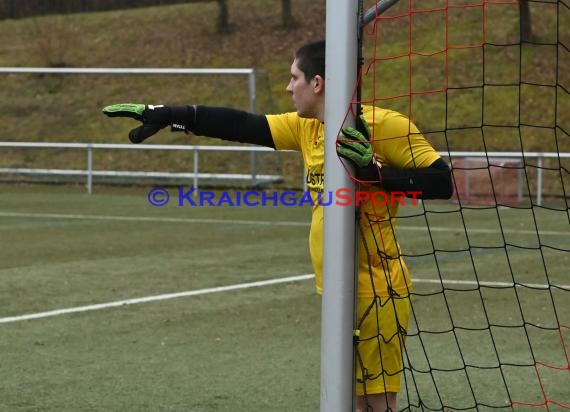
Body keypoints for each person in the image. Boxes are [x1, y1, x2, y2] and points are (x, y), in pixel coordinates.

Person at [103, 40, 453, 411]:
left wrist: (375, 173)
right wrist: (173, 113)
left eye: (294, 77)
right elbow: (241, 125)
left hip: (377, 290)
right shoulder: (307, 127)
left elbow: (441, 182)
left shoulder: (383, 125)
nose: (288, 87)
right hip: (337, 288)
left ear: (316, 83)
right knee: (349, 401)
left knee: (378, 405)